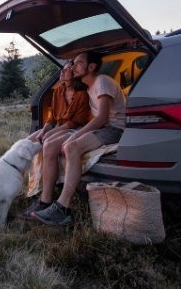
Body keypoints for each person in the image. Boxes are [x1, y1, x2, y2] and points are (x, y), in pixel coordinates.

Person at [26, 51, 126, 225]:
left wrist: (75, 136)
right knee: (49, 145)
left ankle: (62, 208)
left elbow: (102, 118)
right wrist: (70, 133)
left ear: (92, 67)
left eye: (78, 63)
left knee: (71, 147)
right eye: (73, 63)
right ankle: (45, 201)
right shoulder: (87, 87)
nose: (73, 66)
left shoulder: (102, 81)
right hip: (98, 127)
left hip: (112, 129)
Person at [27, 61, 90, 144]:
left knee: (48, 142)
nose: (62, 71)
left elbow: (76, 122)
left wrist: (51, 132)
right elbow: (52, 118)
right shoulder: (58, 90)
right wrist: (44, 131)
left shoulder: (82, 94)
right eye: (63, 69)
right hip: (59, 128)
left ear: (74, 73)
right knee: (25, 143)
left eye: (67, 69)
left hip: (75, 130)